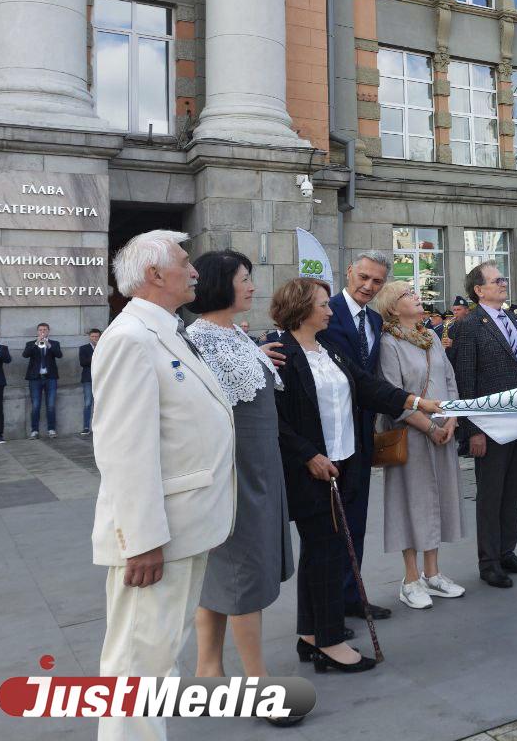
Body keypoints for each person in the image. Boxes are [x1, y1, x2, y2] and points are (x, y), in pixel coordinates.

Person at [92, 230, 236, 741]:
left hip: (188, 527)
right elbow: (124, 451)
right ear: (154, 274)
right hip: (158, 538)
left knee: (155, 658)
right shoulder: (129, 338)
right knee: (136, 664)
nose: (194, 270)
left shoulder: (167, 330)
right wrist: (144, 539)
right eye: (183, 261)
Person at [271, 277, 441, 673]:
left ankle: (311, 635)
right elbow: (276, 421)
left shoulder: (328, 348)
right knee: (326, 551)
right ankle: (330, 642)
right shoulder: (281, 352)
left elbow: (367, 388)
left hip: (344, 460)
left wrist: (417, 401)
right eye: (322, 304)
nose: (330, 310)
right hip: (313, 469)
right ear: (301, 309)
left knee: (322, 552)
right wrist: (308, 454)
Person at [185, 251, 298, 724]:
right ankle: (259, 685)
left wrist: (258, 357)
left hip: (259, 468)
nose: (253, 287)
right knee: (241, 574)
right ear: (219, 284)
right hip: (233, 474)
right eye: (244, 279)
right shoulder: (196, 339)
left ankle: (208, 671)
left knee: (224, 576)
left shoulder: (234, 333)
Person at [371, 281, 467, 610]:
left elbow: (450, 380)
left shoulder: (430, 339)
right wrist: (428, 426)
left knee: (437, 500)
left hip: (444, 432)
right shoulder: (389, 343)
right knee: (409, 503)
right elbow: (392, 394)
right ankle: (410, 579)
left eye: (415, 292)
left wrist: (452, 418)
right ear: (393, 307)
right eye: (408, 294)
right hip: (410, 436)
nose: (416, 297)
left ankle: (433, 572)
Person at [450, 262, 517, 588]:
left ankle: (507, 552)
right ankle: (489, 562)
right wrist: (472, 430)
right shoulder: (470, 325)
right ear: (479, 289)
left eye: (503, 278)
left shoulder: (511, 319)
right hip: (490, 427)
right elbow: (465, 380)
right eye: (497, 280)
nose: (504, 283)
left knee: (513, 491)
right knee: (490, 495)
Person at [317, 251, 394, 621]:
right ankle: (327, 606)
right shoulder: (324, 311)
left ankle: (352, 596)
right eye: (363, 277)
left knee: (357, 518)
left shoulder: (376, 319)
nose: (368, 286)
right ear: (348, 271)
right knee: (329, 526)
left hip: (361, 433)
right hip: (328, 437)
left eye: (377, 281)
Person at [23, 322, 62, 439]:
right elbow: (25, 355)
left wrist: (48, 344)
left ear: (48, 331)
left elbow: (59, 355)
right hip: (35, 378)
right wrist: (36, 343)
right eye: (40, 330)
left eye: (45, 330)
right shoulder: (30, 344)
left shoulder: (54, 343)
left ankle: (51, 429)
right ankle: (34, 431)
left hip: (50, 378)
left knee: (50, 405)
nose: (42, 332)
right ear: (37, 332)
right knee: (35, 405)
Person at [78, 329, 101, 435]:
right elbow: (83, 363)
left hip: (101, 379)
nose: (95, 339)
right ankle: (86, 427)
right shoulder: (83, 348)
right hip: (88, 379)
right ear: (89, 337)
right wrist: (96, 355)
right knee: (88, 403)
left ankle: (100, 426)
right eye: (93, 337)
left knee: (100, 403)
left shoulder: (104, 348)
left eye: (97, 337)